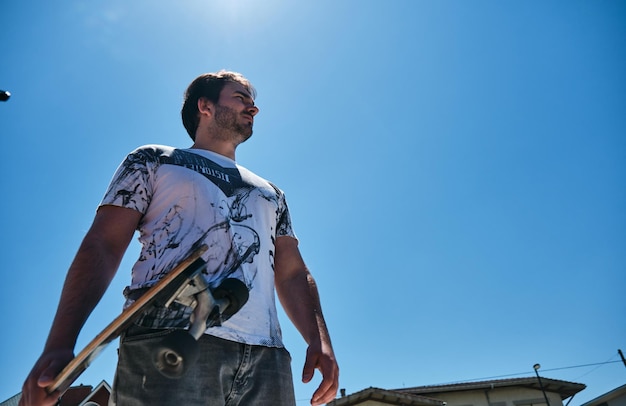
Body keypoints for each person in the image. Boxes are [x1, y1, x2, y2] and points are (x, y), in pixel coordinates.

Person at [19, 70, 339, 406]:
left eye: (253, 102)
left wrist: (319, 340)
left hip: (266, 358)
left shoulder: (272, 193)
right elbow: (103, 244)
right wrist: (59, 343)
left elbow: (291, 272)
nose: (253, 109)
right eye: (241, 98)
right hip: (167, 338)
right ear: (205, 106)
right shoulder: (155, 160)